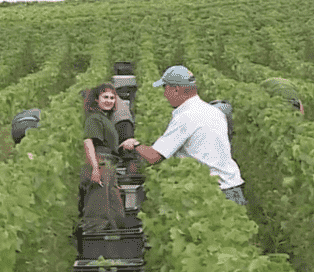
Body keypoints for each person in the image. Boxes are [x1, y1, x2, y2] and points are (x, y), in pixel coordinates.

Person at [119, 66, 247, 206]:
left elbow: (153, 157)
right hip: (233, 188)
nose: (165, 94)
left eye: (165, 89)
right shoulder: (213, 111)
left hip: (213, 192)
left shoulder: (186, 116)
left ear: (176, 89)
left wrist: (134, 145)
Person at [79, 84, 126, 230]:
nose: (109, 101)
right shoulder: (93, 119)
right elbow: (88, 142)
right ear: (96, 100)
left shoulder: (104, 118)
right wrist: (95, 168)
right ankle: (94, 247)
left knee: (114, 210)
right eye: (105, 97)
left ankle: (113, 245)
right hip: (100, 163)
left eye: (112, 98)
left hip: (108, 166)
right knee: (98, 212)